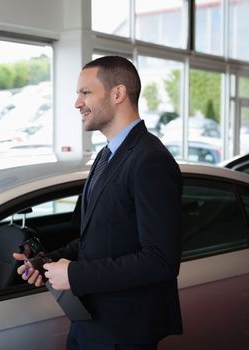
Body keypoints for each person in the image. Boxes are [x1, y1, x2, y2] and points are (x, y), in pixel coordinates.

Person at [13, 56, 183, 349]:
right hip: (90, 322)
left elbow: (160, 261)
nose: (77, 103)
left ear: (117, 94)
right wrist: (49, 262)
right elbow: (99, 240)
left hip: (124, 332)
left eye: (85, 92)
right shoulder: (106, 155)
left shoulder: (151, 160)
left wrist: (75, 274)